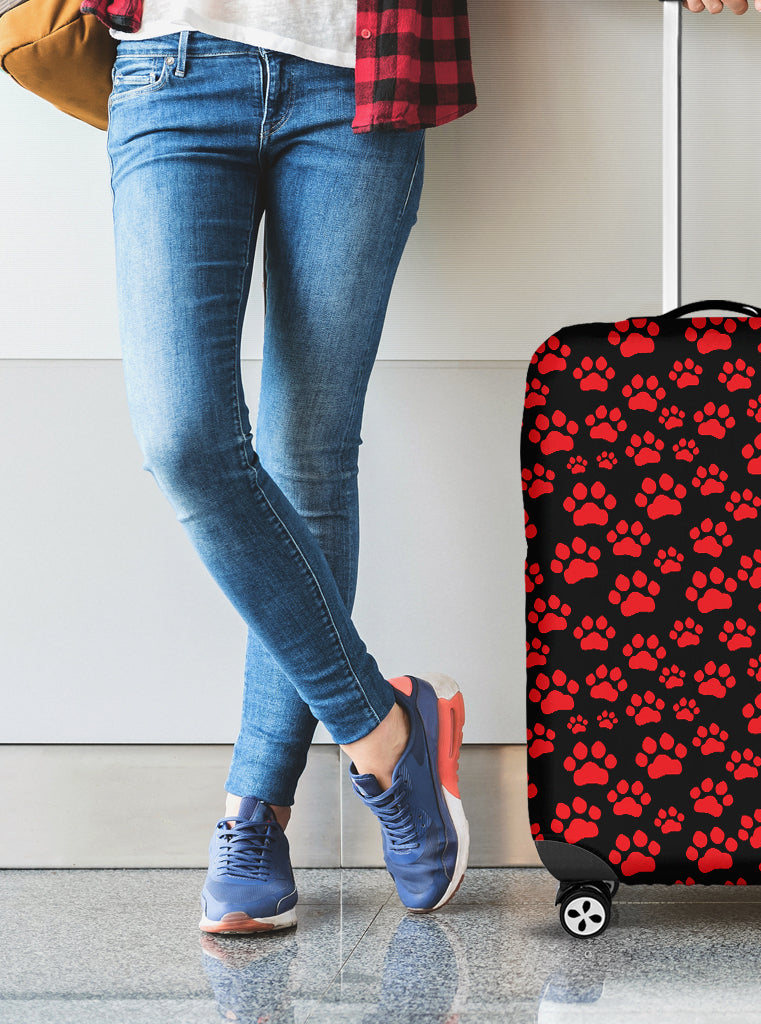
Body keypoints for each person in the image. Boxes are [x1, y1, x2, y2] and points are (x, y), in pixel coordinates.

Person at [86, 0, 476, 933]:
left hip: (359, 79)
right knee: (184, 441)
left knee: (307, 455)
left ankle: (255, 813)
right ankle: (386, 730)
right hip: (173, 70)